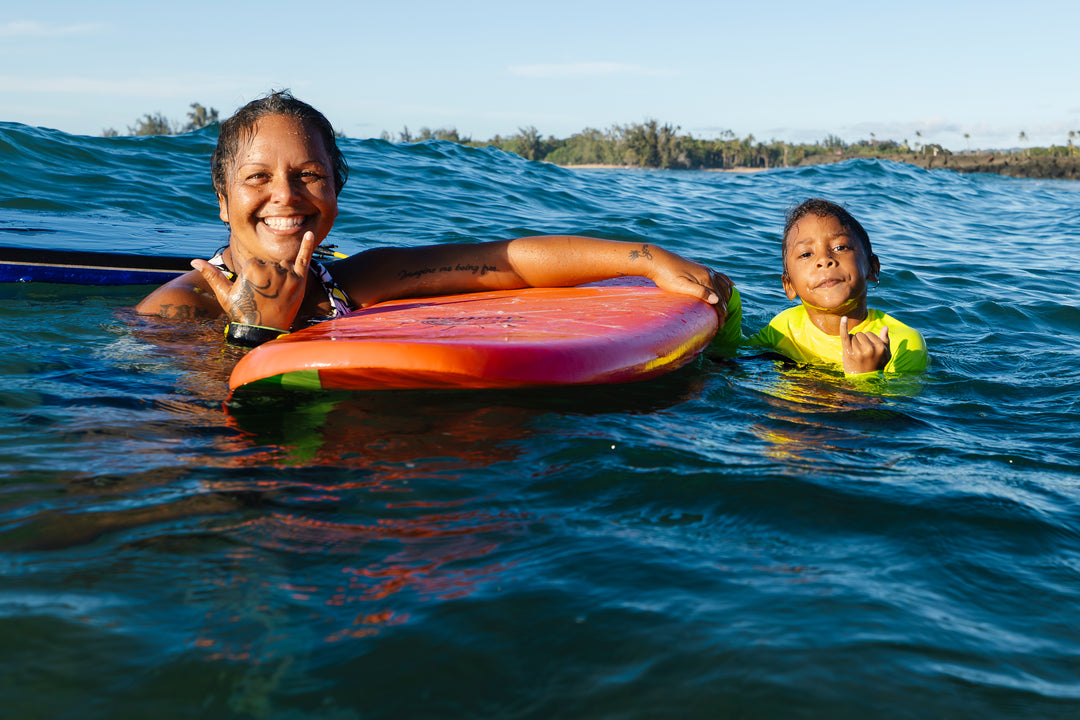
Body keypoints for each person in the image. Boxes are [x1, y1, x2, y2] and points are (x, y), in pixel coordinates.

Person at [136, 91, 731, 347]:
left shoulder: (347, 283)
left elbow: (504, 263)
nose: (286, 196)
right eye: (257, 178)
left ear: (336, 189)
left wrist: (648, 259)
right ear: (222, 198)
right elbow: (148, 431)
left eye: (309, 175)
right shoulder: (178, 310)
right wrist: (253, 336)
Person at [730, 197, 927, 375]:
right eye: (806, 254)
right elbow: (730, 356)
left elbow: (889, 412)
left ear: (872, 268)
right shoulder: (785, 327)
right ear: (788, 285)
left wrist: (866, 375)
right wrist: (729, 303)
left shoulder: (904, 343)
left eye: (840, 247)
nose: (824, 260)